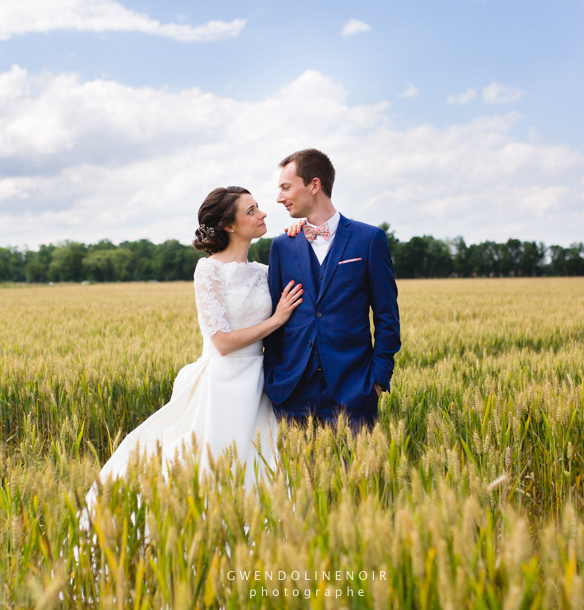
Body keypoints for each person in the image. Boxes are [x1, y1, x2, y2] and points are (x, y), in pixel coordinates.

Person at [82, 187, 303, 518]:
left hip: (261, 385)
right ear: (229, 225)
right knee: (208, 469)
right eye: (252, 210)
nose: (263, 214)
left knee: (261, 469)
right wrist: (276, 319)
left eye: (258, 207)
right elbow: (223, 342)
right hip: (222, 385)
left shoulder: (264, 272)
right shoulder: (209, 270)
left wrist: (300, 236)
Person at [265, 149, 401, 430]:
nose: (279, 197)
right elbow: (274, 319)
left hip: (354, 391)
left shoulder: (369, 239)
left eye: (286, 187)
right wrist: (273, 376)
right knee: (296, 475)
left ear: (314, 185)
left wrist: (377, 380)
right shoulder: (282, 246)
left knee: (355, 475)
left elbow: (387, 316)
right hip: (291, 392)